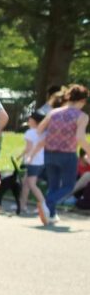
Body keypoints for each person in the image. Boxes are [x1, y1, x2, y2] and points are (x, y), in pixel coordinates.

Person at [36, 83, 88, 225]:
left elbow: (39, 130)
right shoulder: (82, 116)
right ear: (83, 101)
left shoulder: (53, 112)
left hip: (49, 153)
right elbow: (80, 138)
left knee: (53, 186)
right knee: (68, 186)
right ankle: (47, 203)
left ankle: (51, 215)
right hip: (68, 154)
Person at [19, 112, 49, 223]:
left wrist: (21, 156)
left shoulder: (29, 132)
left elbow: (29, 147)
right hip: (40, 161)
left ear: (34, 121)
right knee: (25, 183)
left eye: (30, 119)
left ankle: (45, 205)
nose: (28, 120)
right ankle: (22, 205)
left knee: (31, 185)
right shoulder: (43, 132)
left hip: (32, 161)